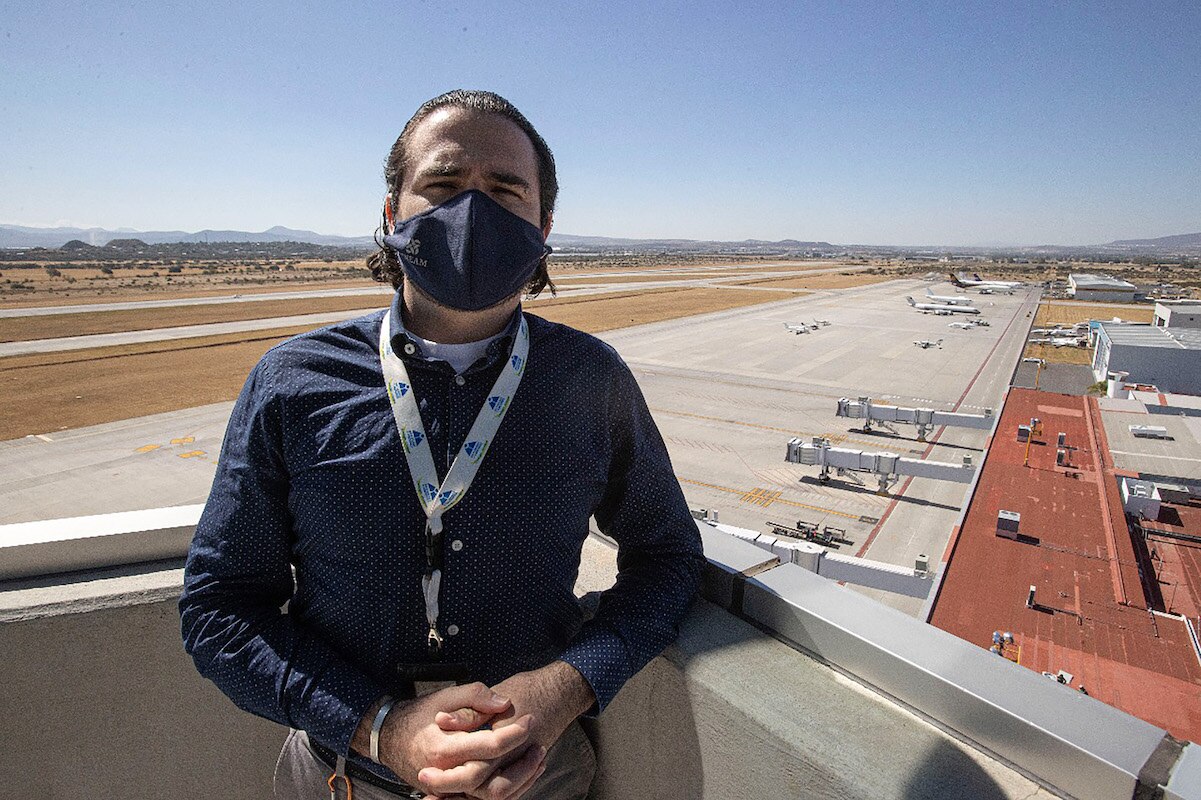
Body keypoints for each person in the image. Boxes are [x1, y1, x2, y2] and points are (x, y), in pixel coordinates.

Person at [179, 89, 704, 800]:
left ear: (543, 224)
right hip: (345, 776)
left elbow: (667, 557)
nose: (473, 210)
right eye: (445, 184)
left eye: (504, 189)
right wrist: (379, 727)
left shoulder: (590, 379)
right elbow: (221, 608)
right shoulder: (291, 382)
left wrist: (568, 686)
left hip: (538, 777)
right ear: (393, 212)